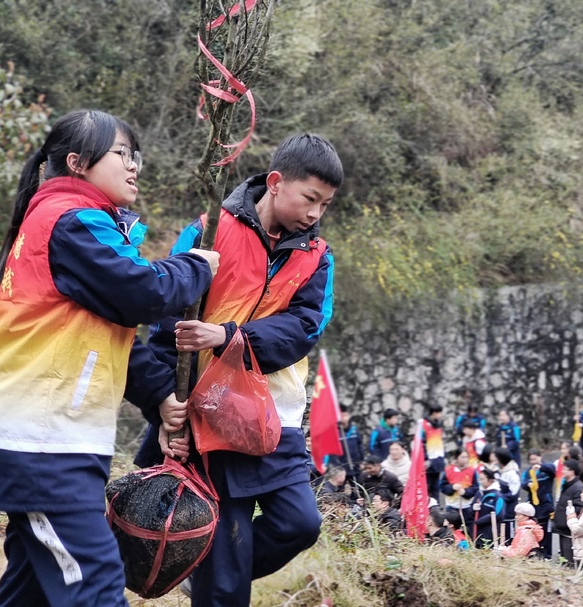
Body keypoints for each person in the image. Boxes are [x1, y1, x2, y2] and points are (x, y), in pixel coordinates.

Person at [0, 110, 219, 607]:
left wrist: (159, 397)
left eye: (134, 155)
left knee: (31, 588)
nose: (133, 166)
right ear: (77, 163)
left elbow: (109, 332)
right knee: (96, 583)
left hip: (46, 436)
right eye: (122, 153)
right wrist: (195, 267)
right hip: (37, 439)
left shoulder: (78, 223)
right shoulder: (72, 220)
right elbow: (143, 293)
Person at [130, 133, 343, 607]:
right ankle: (211, 576)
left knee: (299, 524)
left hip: (271, 420)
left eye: (324, 205)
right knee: (226, 575)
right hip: (209, 417)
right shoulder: (208, 231)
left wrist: (230, 337)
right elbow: (167, 330)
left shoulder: (317, 257)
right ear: (274, 182)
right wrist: (164, 411)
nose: (314, 214)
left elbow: (306, 327)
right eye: (309, 198)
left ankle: (198, 569)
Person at [522, 448, 557, 559]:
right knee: (534, 531)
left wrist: (541, 467)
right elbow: (522, 482)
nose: (533, 461)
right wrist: (528, 484)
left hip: (546, 504)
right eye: (531, 459)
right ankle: (536, 553)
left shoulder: (547, 469)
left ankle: (547, 554)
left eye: (535, 458)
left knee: (546, 531)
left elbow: (554, 470)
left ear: (540, 457)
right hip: (533, 505)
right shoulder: (528, 472)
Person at [553, 459, 583, 564]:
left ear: (572, 471)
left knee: (568, 559)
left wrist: (568, 516)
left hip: (569, 528)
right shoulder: (567, 485)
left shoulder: (577, 487)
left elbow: (579, 506)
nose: (562, 471)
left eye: (565, 469)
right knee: (564, 557)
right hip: (563, 526)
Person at [440, 449, 479, 536]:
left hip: (467, 506)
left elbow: (475, 488)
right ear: (457, 458)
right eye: (462, 457)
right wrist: (452, 487)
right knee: (452, 530)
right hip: (452, 506)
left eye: (466, 457)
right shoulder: (448, 470)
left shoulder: (472, 471)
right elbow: (442, 487)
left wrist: (465, 492)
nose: (465, 459)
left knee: (468, 530)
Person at [471, 466, 506, 548]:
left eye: (482, 479)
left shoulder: (498, 496)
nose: (480, 482)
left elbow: (498, 514)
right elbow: (470, 510)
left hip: (490, 534)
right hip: (476, 533)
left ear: (490, 480)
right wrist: (473, 508)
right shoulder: (479, 493)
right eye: (479, 479)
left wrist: (479, 521)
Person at [326, 407, 365, 483]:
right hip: (341, 468)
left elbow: (360, 446)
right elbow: (331, 453)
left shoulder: (354, 429)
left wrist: (361, 461)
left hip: (355, 466)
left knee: (358, 488)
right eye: (341, 415)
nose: (344, 418)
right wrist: (337, 467)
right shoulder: (333, 432)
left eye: (345, 415)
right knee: (340, 490)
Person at [493, 447, 521, 541]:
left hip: (508, 511)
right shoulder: (497, 470)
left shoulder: (512, 473)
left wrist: (499, 497)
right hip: (499, 509)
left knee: (508, 537)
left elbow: (513, 494)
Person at [421, 403, 447, 498]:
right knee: (427, 487)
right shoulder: (424, 425)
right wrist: (425, 458)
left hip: (438, 460)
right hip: (429, 461)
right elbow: (421, 443)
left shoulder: (438, 425)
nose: (441, 415)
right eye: (439, 413)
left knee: (436, 488)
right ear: (434, 413)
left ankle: (436, 508)